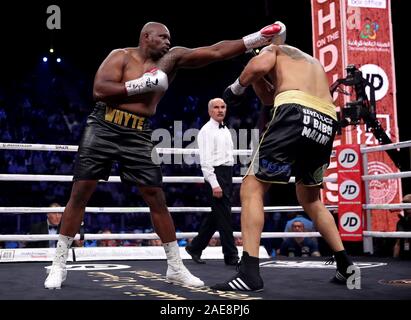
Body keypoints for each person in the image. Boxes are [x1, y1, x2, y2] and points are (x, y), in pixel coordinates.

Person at [44, 21, 286, 289]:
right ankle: (59, 264)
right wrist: (141, 84)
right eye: (163, 37)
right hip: (103, 126)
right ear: (146, 37)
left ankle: (175, 267)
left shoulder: (172, 59)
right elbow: (100, 90)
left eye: (170, 38)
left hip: (139, 131)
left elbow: (216, 51)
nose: (168, 41)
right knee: (81, 191)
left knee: (156, 196)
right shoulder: (120, 56)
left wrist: (256, 38)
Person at [212, 37, 354, 292]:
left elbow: (256, 68)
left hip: (295, 111)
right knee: (310, 197)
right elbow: (268, 98)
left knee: (251, 188)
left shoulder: (274, 48)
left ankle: (249, 273)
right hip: (325, 120)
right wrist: (256, 80)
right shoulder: (311, 63)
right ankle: (346, 266)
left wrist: (235, 88)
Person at [185, 98, 239, 265]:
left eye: (223, 107)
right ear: (209, 111)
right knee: (224, 217)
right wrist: (214, 183)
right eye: (216, 107)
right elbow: (206, 161)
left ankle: (195, 247)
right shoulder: (206, 131)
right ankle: (231, 256)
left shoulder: (225, 129)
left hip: (227, 173)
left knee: (218, 215)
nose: (220, 110)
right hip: (216, 174)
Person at [393, 194, 411, 259]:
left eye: (408, 203)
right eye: (405, 203)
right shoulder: (404, 207)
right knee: (398, 240)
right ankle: (395, 258)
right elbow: (390, 209)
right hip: (404, 223)